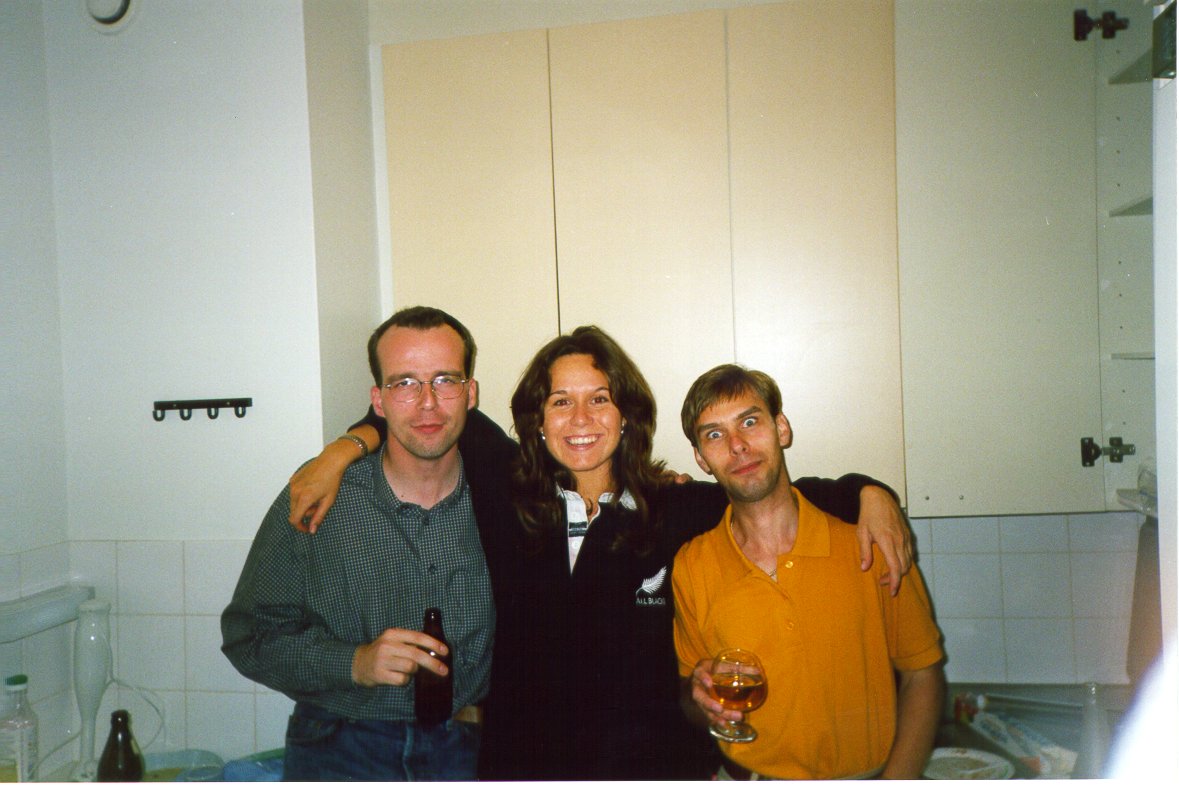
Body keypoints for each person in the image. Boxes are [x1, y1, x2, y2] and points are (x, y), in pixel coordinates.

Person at [288, 315, 914, 780]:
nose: (581, 419)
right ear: (537, 421)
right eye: (561, 401)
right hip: (523, 774)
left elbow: (770, 487)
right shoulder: (505, 496)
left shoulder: (676, 509)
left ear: (626, 415)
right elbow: (428, 409)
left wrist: (868, 492)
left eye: (599, 399)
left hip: (656, 776)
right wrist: (341, 451)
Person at [221, 306, 506, 781]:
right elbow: (248, 636)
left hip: (470, 750)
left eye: (445, 381)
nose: (428, 403)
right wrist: (353, 663)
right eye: (405, 383)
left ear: (470, 393)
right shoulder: (317, 498)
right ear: (378, 400)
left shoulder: (510, 500)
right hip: (339, 747)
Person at [672, 364, 946, 780]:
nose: (737, 445)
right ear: (700, 459)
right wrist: (699, 698)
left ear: (781, 428)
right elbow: (691, 693)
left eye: (750, 422)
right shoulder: (692, 565)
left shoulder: (869, 540)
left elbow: (922, 675)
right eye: (714, 434)